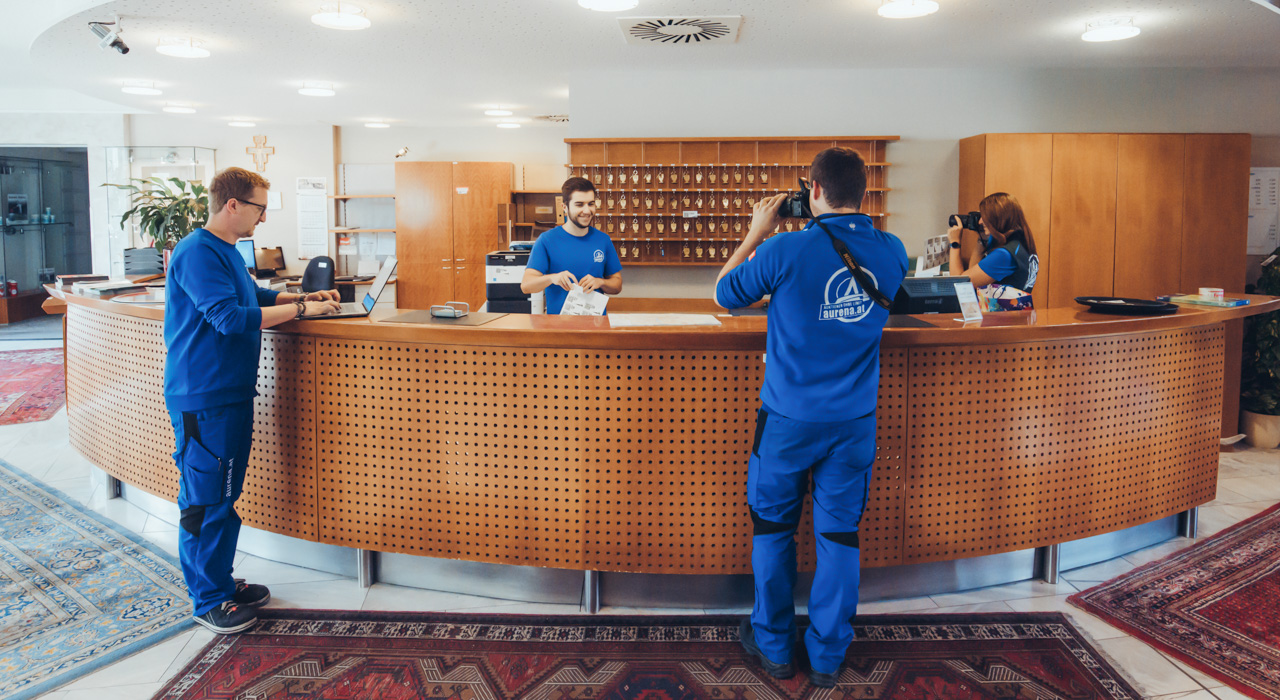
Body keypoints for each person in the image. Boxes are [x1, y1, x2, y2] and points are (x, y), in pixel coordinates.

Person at [714, 147, 908, 688]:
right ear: (863, 193)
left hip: (787, 421)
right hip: (853, 423)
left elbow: (725, 294)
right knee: (840, 535)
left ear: (813, 190)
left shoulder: (784, 249)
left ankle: (775, 646)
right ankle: (827, 655)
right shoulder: (893, 250)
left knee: (773, 529)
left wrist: (756, 232)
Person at [164, 166, 341, 634]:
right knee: (206, 501)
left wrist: (298, 295)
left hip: (230, 392)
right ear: (233, 205)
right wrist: (301, 309)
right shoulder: (197, 251)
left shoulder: (225, 250)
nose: (263, 218)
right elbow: (227, 317)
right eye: (260, 208)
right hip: (204, 396)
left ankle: (221, 583)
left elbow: (251, 295)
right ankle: (208, 600)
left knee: (224, 495)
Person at [520, 177, 622, 314]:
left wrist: (600, 282)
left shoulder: (603, 240)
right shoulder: (547, 240)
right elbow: (526, 285)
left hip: (596, 324)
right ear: (565, 207)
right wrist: (552, 278)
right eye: (579, 204)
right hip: (559, 325)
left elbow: (617, 284)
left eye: (591, 204)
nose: (587, 211)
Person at [947, 192, 1039, 292]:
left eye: (985, 217)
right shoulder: (1019, 243)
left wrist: (955, 243)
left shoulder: (1004, 255)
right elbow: (973, 273)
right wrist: (982, 240)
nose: (980, 222)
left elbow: (960, 285)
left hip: (1003, 303)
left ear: (998, 218)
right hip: (1015, 302)